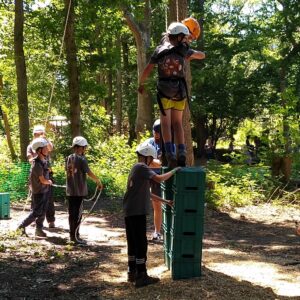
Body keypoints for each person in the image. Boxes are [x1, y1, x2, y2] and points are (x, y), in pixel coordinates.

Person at [138, 21, 205, 168]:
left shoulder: (159, 50)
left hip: (164, 91)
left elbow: (147, 70)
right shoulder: (183, 50)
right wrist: (192, 54)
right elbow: (201, 55)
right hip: (179, 91)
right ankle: (181, 152)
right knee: (177, 123)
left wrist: (141, 85)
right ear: (181, 37)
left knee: (166, 124)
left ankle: (169, 153)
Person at [123, 142, 180, 288]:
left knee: (133, 241)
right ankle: (141, 275)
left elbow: (148, 193)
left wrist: (164, 201)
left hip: (129, 211)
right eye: (152, 159)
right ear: (147, 157)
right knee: (141, 243)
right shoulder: (142, 167)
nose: (153, 162)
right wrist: (175, 170)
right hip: (136, 212)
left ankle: (132, 271)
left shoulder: (136, 168)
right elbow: (160, 179)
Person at [66, 136, 103, 245]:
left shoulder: (69, 157)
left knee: (71, 214)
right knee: (77, 214)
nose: (84, 149)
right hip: (79, 192)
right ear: (81, 147)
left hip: (70, 191)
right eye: (84, 147)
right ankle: (75, 237)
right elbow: (89, 172)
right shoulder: (82, 159)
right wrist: (98, 181)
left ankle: (72, 235)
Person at [18, 138, 53, 237]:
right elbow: (42, 180)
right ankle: (21, 226)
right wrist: (49, 181)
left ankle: (39, 229)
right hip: (39, 192)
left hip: (44, 190)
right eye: (44, 148)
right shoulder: (36, 164)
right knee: (37, 212)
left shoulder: (44, 161)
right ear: (39, 150)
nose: (47, 149)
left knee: (43, 210)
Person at [27, 124, 56, 228]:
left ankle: (51, 220)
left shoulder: (46, 143)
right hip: (37, 175)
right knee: (36, 198)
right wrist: (38, 156)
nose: (38, 135)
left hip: (48, 173)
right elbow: (30, 159)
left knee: (49, 198)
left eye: (40, 133)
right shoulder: (31, 146)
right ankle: (34, 219)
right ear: (34, 134)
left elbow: (50, 148)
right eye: (37, 134)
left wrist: (45, 139)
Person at [145, 119, 163, 241]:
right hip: (148, 176)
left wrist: (152, 162)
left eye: (158, 132)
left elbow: (163, 163)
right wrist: (154, 162)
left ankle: (157, 232)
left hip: (161, 178)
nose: (156, 135)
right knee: (146, 203)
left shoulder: (168, 144)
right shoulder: (148, 143)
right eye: (154, 132)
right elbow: (144, 161)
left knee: (158, 204)